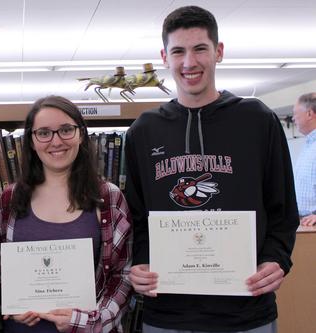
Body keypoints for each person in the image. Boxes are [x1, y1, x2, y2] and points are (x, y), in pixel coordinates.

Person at [125, 6, 299, 333]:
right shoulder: (143, 131)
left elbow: (283, 209)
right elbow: (136, 218)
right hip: (167, 313)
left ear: (218, 52)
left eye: (200, 49)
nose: (189, 62)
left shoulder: (257, 119)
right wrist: (140, 263)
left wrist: (278, 259)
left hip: (246, 311)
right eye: (178, 51)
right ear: (164, 56)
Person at [0, 95, 132, 332]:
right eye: (44, 133)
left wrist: (86, 322)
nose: (56, 141)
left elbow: (123, 276)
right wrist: (10, 303)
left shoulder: (109, 198)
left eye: (66, 130)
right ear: (32, 141)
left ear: (81, 134)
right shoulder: (10, 199)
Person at [292, 92, 316, 226]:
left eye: (296, 113)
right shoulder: (309, 144)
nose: (294, 119)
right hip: (303, 221)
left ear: (309, 114)